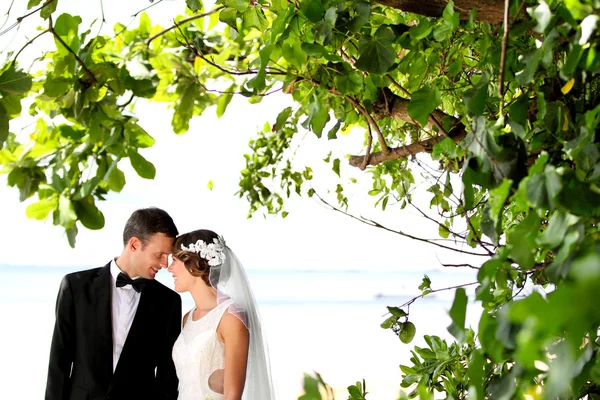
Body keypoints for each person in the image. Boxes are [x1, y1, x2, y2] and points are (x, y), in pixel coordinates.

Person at [45, 207, 182, 400]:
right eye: (159, 254)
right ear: (134, 244)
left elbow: (167, 377)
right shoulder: (75, 287)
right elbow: (59, 363)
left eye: (168, 256)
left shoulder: (169, 302)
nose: (165, 264)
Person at [168, 229, 275, 400]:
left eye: (174, 260)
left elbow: (232, 395)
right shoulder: (188, 318)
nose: (169, 268)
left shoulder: (230, 317)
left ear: (194, 264)